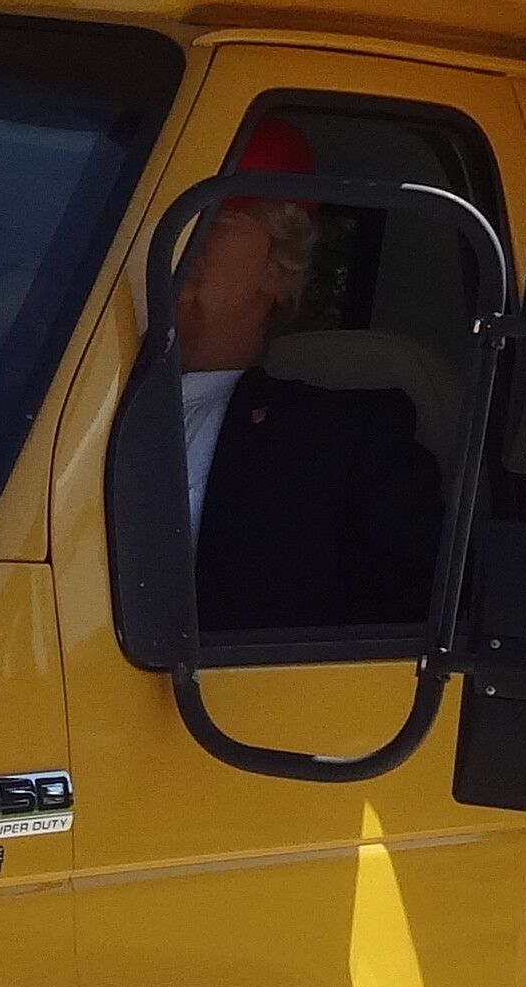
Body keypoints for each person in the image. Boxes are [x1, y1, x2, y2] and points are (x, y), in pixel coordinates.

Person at [169, 141, 440, 634]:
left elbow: (397, 642)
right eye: (170, 209)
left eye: (219, 213)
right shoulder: (56, 400)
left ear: (282, 267)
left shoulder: (349, 439)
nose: (184, 228)